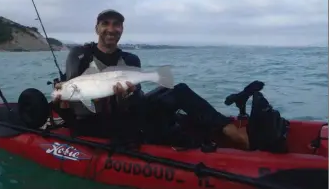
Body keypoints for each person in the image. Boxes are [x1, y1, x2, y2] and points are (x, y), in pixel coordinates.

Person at [52, 9, 288, 152]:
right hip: (99, 122)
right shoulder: (80, 55)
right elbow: (76, 99)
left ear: (122, 29)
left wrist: (128, 95)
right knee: (162, 118)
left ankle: (234, 133)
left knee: (180, 90)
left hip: (128, 111)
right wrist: (62, 101)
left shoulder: (129, 58)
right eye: (105, 24)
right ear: (96, 28)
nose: (111, 29)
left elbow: (135, 99)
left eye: (116, 25)